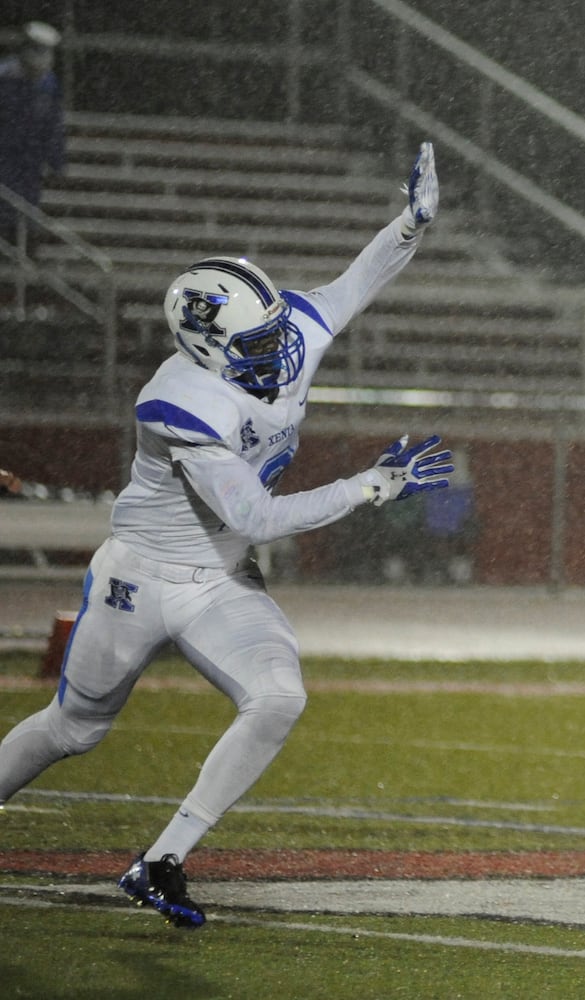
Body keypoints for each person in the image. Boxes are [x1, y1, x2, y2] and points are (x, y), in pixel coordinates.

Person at [0, 142, 452, 929]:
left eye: (275, 332)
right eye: (255, 345)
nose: (279, 353)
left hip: (221, 580)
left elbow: (353, 286)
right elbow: (258, 517)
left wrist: (410, 225)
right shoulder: (181, 400)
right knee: (73, 728)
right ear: (205, 347)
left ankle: (161, 860)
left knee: (278, 696)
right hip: (141, 579)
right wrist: (368, 486)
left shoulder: (279, 338)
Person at [0, 21, 66, 245]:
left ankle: (24, 247)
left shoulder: (48, 85)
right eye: (38, 50)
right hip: (5, 153)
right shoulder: (5, 77)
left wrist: (56, 159)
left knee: (25, 209)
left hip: (29, 159)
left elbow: (52, 125)